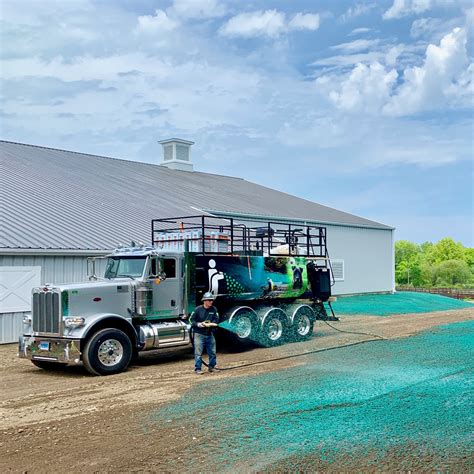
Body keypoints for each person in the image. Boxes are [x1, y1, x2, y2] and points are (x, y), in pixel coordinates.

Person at [189, 292, 220, 375]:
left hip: (209, 334)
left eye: (212, 300)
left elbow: (216, 320)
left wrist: (212, 324)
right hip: (199, 334)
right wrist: (199, 324)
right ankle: (198, 369)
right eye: (209, 300)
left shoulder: (214, 309)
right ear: (205, 301)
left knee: (212, 352)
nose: (211, 302)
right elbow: (191, 320)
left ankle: (212, 367)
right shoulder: (197, 309)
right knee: (198, 353)